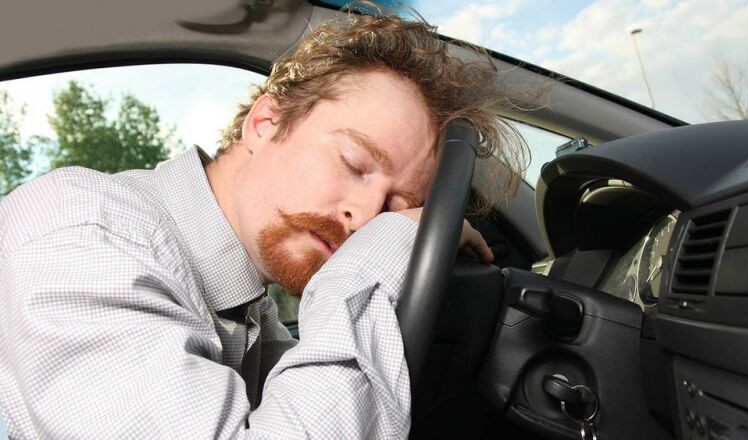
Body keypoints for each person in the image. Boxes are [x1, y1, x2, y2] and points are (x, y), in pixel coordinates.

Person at [0, 5, 528, 439]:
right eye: (353, 163)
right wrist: (384, 251)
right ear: (265, 123)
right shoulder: (84, 238)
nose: (365, 216)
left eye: (397, 206)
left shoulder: (243, 304)